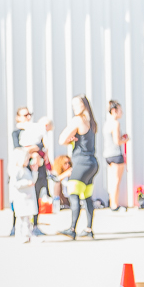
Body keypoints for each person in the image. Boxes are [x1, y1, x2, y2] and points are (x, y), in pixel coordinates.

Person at [60, 95, 99, 239]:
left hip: (81, 163)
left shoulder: (77, 120)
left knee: (74, 194)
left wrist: (69, 140)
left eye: (76, 104)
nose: (74, 108)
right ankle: (88, 229)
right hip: (92, 163)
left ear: (84, 105)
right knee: (87, 197)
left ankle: (72, 229)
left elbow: (61, 139)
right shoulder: (92, 122)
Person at [9, 148, 41, 243]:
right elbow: (15, 183)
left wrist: (35, 171)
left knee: (27, 219)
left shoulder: (26, 170)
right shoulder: (16, 170)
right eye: (26, 159)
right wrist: (26, 183)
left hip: (28, 199)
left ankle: (28, 235)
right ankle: (19, 235)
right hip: (21, 199)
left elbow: (33, 181)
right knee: (21, 219)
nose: (28, 161)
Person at [104, 101, 129, 210]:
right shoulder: (115, 123)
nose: (121, 113)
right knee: (116, 181)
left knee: (112, 180)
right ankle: (114, 205)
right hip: (115, 154)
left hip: (108, 155)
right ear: (114, 111)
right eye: (120, 110)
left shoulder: (107, 123)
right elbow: (117, 141)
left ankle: (112, 202)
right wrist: (125, 139)